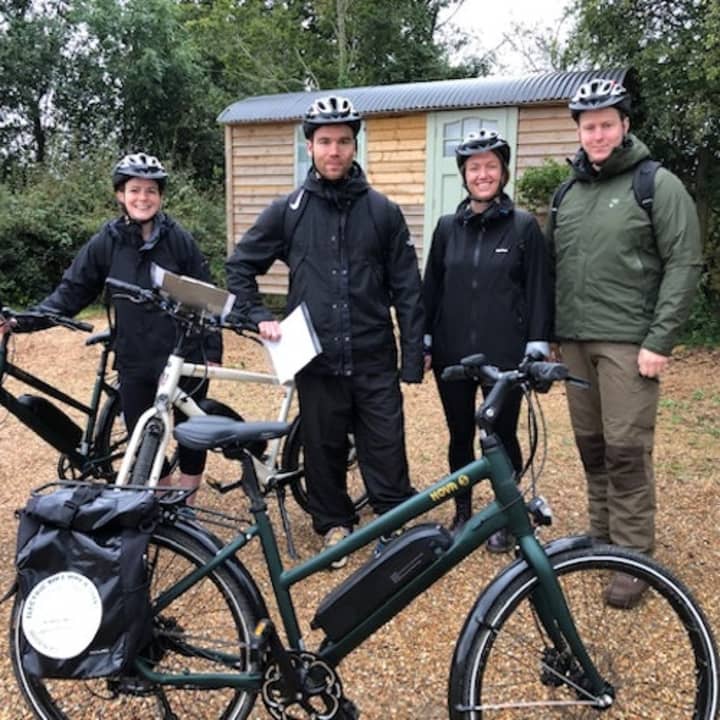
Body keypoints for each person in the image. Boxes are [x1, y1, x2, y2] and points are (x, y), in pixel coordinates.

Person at [226, 95, 424, 568]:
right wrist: (257, 315)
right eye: (324, 142)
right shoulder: (288, 210)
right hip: (314, 358)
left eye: (343, 142)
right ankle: (334, 524)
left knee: (385, 444)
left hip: (374, 354)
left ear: (355, 147)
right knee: (323, 445)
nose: (334, 151)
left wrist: (413, 354)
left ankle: (391, 522)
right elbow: (239, 267)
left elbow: (408, 288)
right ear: (310, 146)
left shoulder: (383, 212)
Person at [547, 78, 703, 607]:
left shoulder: (656, 185)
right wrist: (550, 334)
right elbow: (556, 267)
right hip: (573, 341)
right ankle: (603, 535)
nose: (597, 134)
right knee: (592, 446)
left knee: (626, 450)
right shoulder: (567, 192)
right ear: (579, 131)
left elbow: (684, 264)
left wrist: (660, 338)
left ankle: (634, 554)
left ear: (625, 126)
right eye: (588, 126)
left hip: (629, 343)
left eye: (606, 124)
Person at [23, 152, 222, 500]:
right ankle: (161, 498)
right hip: (135, 358)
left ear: (160, 197)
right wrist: (21, 321)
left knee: (191, 432)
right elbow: (71, 291)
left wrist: (212, 352)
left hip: (183, 354)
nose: (142, 198)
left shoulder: (179, 240)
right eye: (134, 190)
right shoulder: (107, 241)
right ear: (120, 194)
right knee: (141, 435)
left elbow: (204, 297)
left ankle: (189, 499)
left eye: (150, 191)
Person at [422, 130, 552, 552]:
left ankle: (505, 514)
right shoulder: (446, 228)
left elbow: (537, 289)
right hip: (452, 348)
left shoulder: (523, 227)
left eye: (490, 167)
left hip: (504, 350)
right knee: (460, 433)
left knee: (500, 432)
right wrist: (424, 340)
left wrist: (537, 342)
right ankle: (462, 511)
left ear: (503, 172)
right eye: (474, 168)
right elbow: (431, 288)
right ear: (464, 175)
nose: (483, 175)